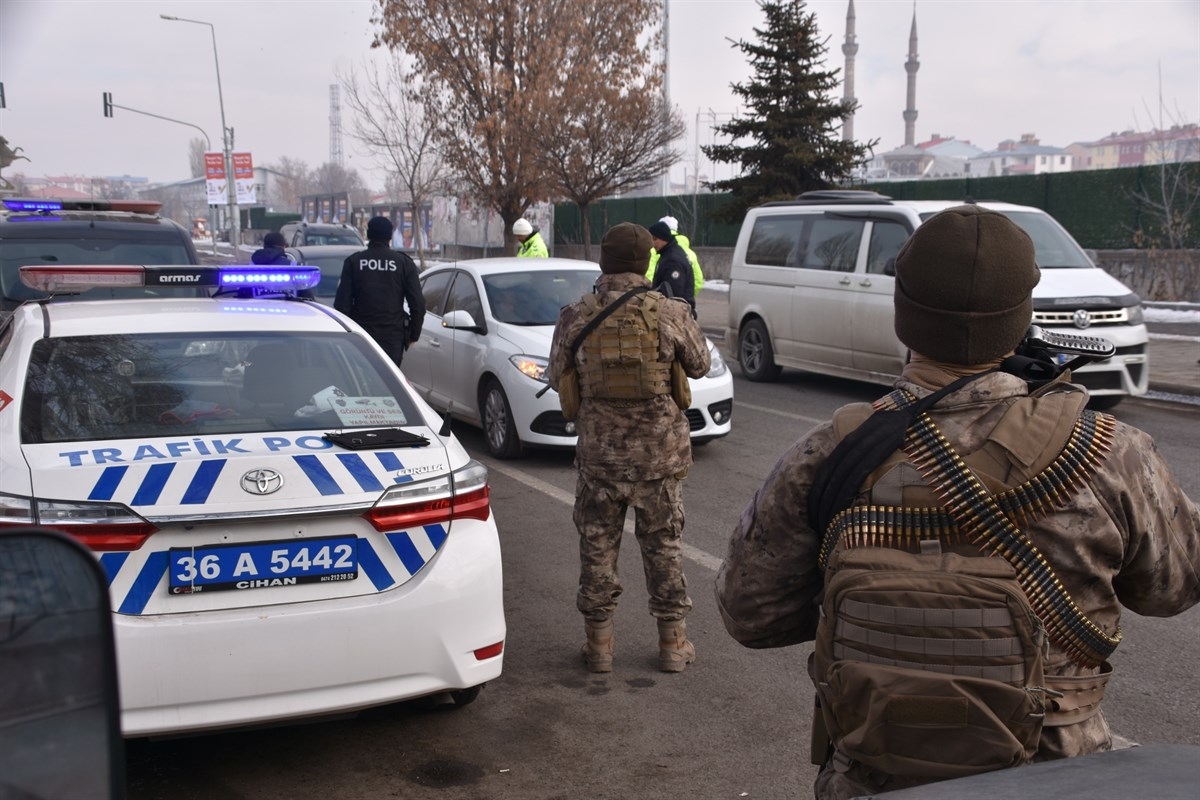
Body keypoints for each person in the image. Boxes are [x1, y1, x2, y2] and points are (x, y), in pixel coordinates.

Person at [714, 205, 1200, 798]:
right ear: (1021, 320)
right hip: (1055, 776)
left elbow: (751, 615)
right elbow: (1171, 590)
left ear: (903, 318)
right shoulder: (1112, 453)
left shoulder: (828, 453)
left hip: (876, 777)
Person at [547, 222, 711, 675]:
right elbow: (700, 365)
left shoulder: (576, 314)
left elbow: (553, 371)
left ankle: (599, 649)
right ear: (645, 263)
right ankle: (673, 646)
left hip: (600, 459)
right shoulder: (670, 312)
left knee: (597, 548)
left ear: (604, 262)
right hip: (659, 458)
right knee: (664, 547)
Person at [334, 216, 425, 367]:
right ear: (390, 236)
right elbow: (418, 304)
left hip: (361, 336)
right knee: (388, 384)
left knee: (361, 384)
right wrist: (413, 335)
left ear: (368, 235)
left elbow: (342, 305)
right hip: (393, 337)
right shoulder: (404, 263)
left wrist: (348, 336)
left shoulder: (354, 262)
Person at [647, 220, 695, 316]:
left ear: (664, 238)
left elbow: (673, 294)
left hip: (676, 315)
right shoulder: (668, 254)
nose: (652, 243)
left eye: (655, 239)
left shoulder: (673, 260)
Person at [645, 215, 704, 295]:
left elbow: (649, 275)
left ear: (663, 235)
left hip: (669, 303)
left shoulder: (670, 257)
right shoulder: (688, 252)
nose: (653, 243)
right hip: (681, 303)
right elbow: (698, 281)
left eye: (654, 239)